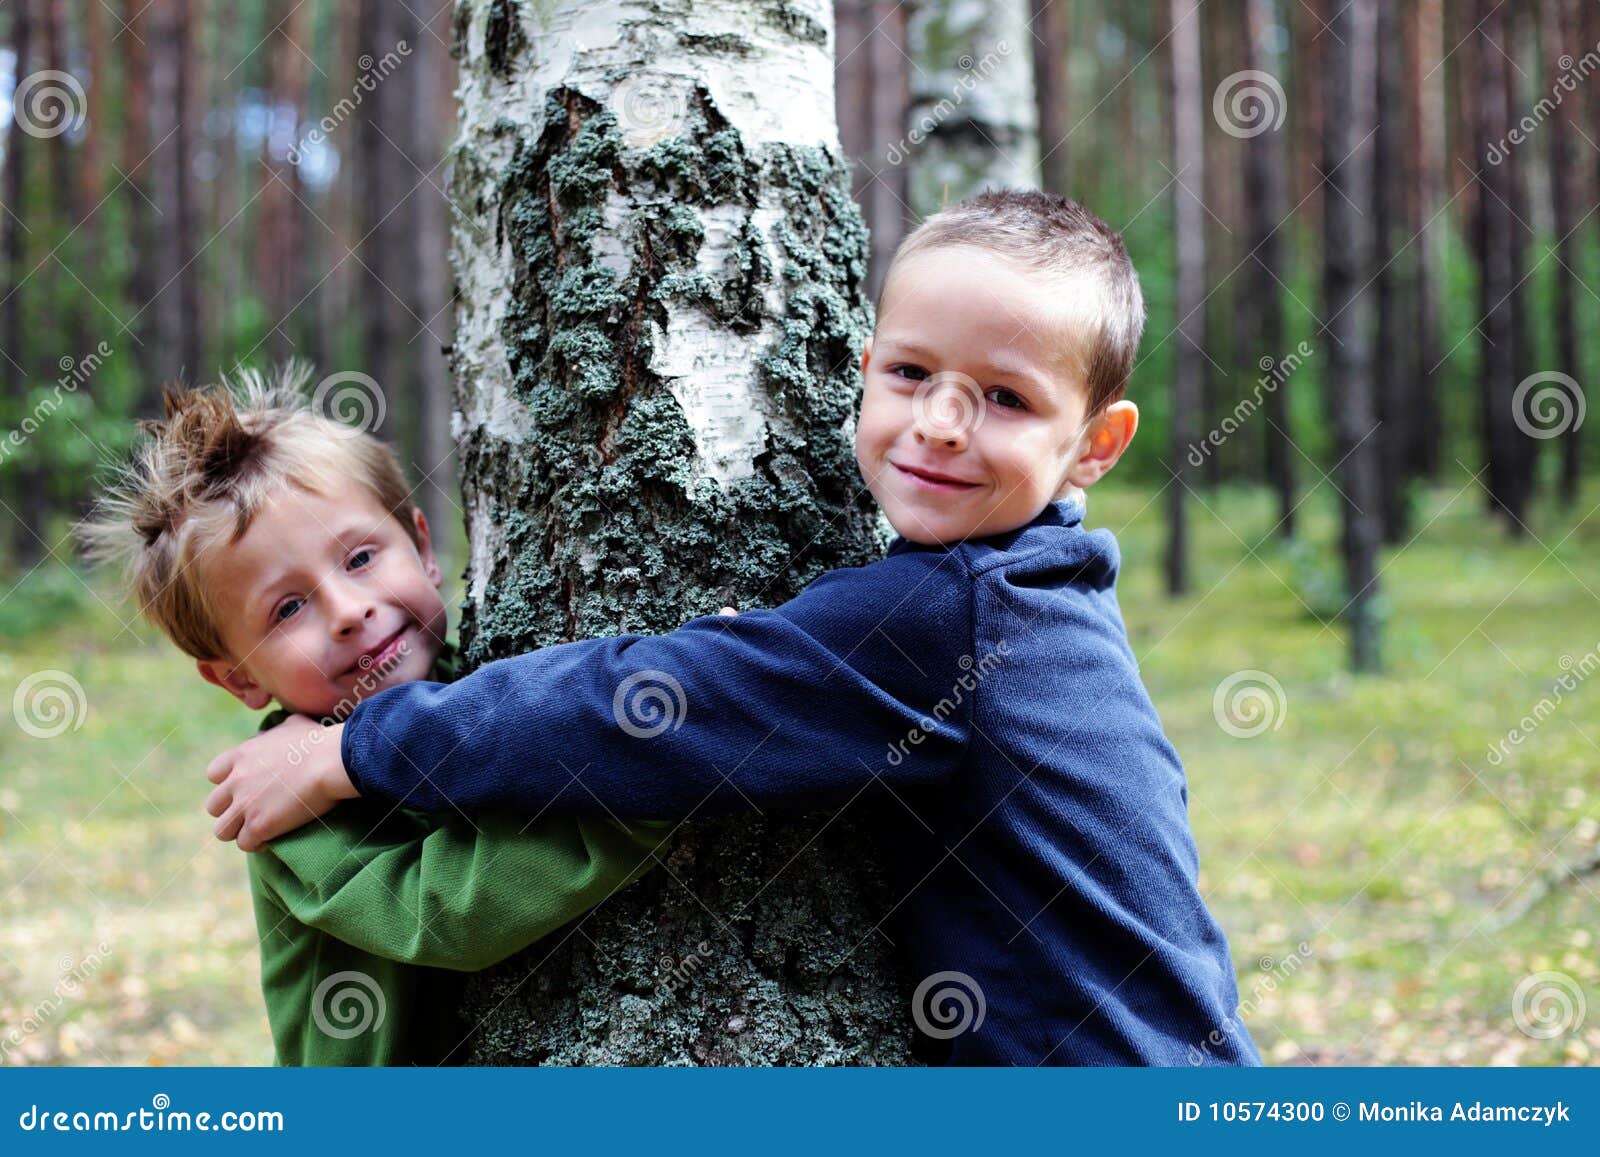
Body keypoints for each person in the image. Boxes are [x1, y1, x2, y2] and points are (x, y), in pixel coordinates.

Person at [204, 191, 1262, 1066]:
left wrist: (351, 749)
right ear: (860, 367)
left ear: (1094, 445)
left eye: (1004, 396)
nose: (940, 422)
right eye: (910, 373)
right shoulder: (1030, 594)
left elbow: (633, 715)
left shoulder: (949, 615)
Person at [78, 367, 666, 1064]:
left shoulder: (473, 681)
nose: (349, 610)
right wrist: (649, 790)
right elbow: (446, 912)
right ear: (237, 677)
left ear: (422, 546)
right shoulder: (284, 799)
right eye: (288, 608)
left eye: (360, 557)